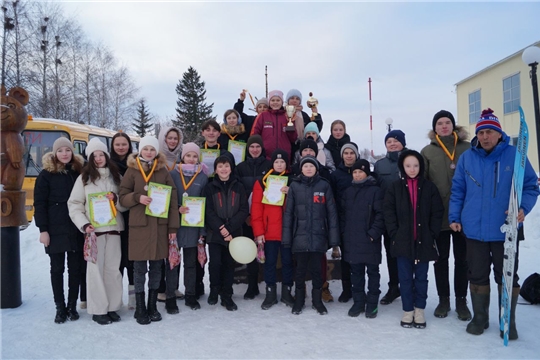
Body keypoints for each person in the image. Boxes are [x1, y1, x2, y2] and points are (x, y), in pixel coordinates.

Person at [449, 108, 539, 339]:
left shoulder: (515, 156)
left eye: (490, 132)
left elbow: (530, 186)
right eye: (481, 133)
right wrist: (455, 217)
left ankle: (507, 319)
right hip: (474, 229)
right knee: (477, 275)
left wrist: (522, 208)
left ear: (499, 134)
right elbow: (458, 189)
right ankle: (480, 317)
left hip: (506, 230)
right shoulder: (467, 158)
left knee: (507, 276)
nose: (485, 137)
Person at [119, 135, 180, 325]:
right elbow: (122, 197)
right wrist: (138, 198)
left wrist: (172, 227)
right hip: (139, 227)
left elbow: (172, 200)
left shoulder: (162, 171)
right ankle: (140, 308)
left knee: (156, 268)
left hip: (159, 227)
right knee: (139, 270)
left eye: (152, 150)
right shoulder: (132, 170)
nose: (149, 152)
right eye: (145, 149)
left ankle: (152, 305)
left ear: (156, 152)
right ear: (140, 150)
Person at [68, 138, 126, 325]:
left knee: (112, 270)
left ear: (107, 156)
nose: (99, 158)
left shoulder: (116, 176)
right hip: (94, 232)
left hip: (114, 230)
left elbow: (125, 203)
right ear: (90, 158)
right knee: (95, 271)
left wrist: (115, 198)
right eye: (95, 155)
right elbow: (75, 204)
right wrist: (84, 224)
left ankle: (112, 306)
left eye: (102, 154)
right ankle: (99, 309)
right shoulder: (84, 178)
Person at [384, 150, 444, 329]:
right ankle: (408, 310)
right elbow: (389, 212)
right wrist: (395, 233)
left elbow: (437, 212)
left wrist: (432, 233)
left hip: (423, 241)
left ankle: (419, 310)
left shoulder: (429, 187)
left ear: (421, 166)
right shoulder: (394, 187)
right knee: (405, 278)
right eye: (408, 165)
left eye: (416, 165)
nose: (412, 169)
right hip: (402, 242)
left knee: (421, 278)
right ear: (402, 166)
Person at [420, 110, 472, 320]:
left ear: (453, 125)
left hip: (464, 216)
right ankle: (444, 300)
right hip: (439, 216)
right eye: (440, 123)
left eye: (447, 122)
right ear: (435, 128)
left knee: (463, 260)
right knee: (440, 260)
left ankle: (461, 300)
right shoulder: (427, 152)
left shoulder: (468, 148)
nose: (444, 126)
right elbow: (423, 183)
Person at [34, 137, 85, 324]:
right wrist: (43, 230)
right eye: (61, 150)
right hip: (55, 230)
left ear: (72, 152)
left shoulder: (78, 172)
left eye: (68, 150)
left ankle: (72, 306)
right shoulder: (46, 175)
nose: (65, 153)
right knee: (56, 269)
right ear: (54, 153)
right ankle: (60, 307)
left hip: (76, 228)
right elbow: (39, 204)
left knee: (75, 269)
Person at [282, 155, 340, 315]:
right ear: (301, 169)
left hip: (318, 236)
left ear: (316, 169)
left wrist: (334, 240)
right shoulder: (294, 186)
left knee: (317, 271)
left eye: (311, 166)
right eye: (305, 166)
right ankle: (299, 301)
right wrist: (287, 238)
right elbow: (289, 214)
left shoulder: (324, 185)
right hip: (299, 237)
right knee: (300, 272)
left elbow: (331, 213)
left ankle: (317, 301)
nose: (308, 169)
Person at [204, 155, 249, 311]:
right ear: (215, 169)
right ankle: (214, 290)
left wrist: (229, 228)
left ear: (231, 168)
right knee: (215, 263)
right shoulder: (210, 187)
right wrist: (221, 228)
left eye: (227, 166)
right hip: (215, 233)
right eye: (220, 166)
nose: (223, 169)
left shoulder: (239, 186)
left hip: (233, 233)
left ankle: (227, 295)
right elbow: (208, 211)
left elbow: (244, 210)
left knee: (229, 265)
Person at [340, 159, 385, 318]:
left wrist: (373, 233)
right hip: (352, 239)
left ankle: (372, 303)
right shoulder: (348, 192)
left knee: (373, 272)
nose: (358, 175)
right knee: (356, 273)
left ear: (367, 173)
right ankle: (358, 301)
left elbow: (381, 215)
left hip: (370, 240)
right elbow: (343, 215)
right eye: (355, 172)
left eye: (361, 172)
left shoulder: (375, 191)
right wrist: (345, 234)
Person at [251, 149, 294, 310]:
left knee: (288, 262)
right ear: (272, 163)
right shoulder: (262, 182)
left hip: (287, 232)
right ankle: (270, 293)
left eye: (282, 162)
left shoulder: (293, 182)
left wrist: (290, 193)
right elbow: (256, 210)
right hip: (269, 232)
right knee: (269, 263)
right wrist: (259, 232)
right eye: (276, 162)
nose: (279, 164)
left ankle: (287, 291)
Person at [168, 142, 209, 312]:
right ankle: (170, 296)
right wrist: (177, 207)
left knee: (191, 264)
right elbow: (168, 200)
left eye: (194, 156)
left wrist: (202, 232)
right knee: (172, 264)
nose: (191, 159)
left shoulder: (202, 177)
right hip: (175, 229)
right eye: (188, 155)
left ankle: (190, 295)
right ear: (182, 156)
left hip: (193, 228)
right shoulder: (172, 174)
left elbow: (206, 206)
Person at [234, 135, 272, 300]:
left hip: (268, 218)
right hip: (248, 217)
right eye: (252, 147)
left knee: (269, 251)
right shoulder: (240, 167)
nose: (255, 149)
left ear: (262, 148)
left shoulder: (270, 165)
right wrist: (246, 215)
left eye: (257, 146)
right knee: (251, 250)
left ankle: (270, 286)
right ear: (247, 149)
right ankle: (252, 285)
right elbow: (238, 193)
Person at [374, 129, 407, 305]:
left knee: (410, 253)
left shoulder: (412, 160)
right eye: (389, 141)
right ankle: (394, 286)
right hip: (389, 217)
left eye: (396, 141)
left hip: (409, 216)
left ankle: (410, 286)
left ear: (403, 142)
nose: (392, 144)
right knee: (391, 252)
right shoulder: (380, 165)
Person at [156, 126, 184, 302]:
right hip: (159, 210)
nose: (173, 141)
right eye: (170, 138)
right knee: (160, 250)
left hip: (178, 209)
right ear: (163, 139)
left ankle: (173, 286)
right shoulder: (157, 160)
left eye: (176, 138)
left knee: (175, 248)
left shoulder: (183, 158)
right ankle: (160, 287)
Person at [330, 142, 360, 303]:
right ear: (342, 156)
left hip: (361, 222)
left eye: (352, 153)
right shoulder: (336, 175)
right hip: (344, 221)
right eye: (346, 153)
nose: (349, 156)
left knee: (360, 257)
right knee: (346, 258)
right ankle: (347, 289)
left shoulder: (363, 172)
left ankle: (359, 288)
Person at [110, 132, 136, 310]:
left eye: (124, 144)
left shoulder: (136, 165)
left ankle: (134, 298)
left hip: (133, 215)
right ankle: (115, 299)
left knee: (132, 258)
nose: (120, 147)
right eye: (117, 144)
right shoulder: (107, 165)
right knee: (116, 260)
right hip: (112, 217)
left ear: (129, 145)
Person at [250, 90, 298, 161]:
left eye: (278, 100)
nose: (275, 102)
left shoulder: (287, 115)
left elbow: (293, 138)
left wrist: (290, 129)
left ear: (282, 102)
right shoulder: (263, 116)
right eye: (273, 100)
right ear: (269, 102)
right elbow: (254, 135)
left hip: (283, 157)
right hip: (265, 156)